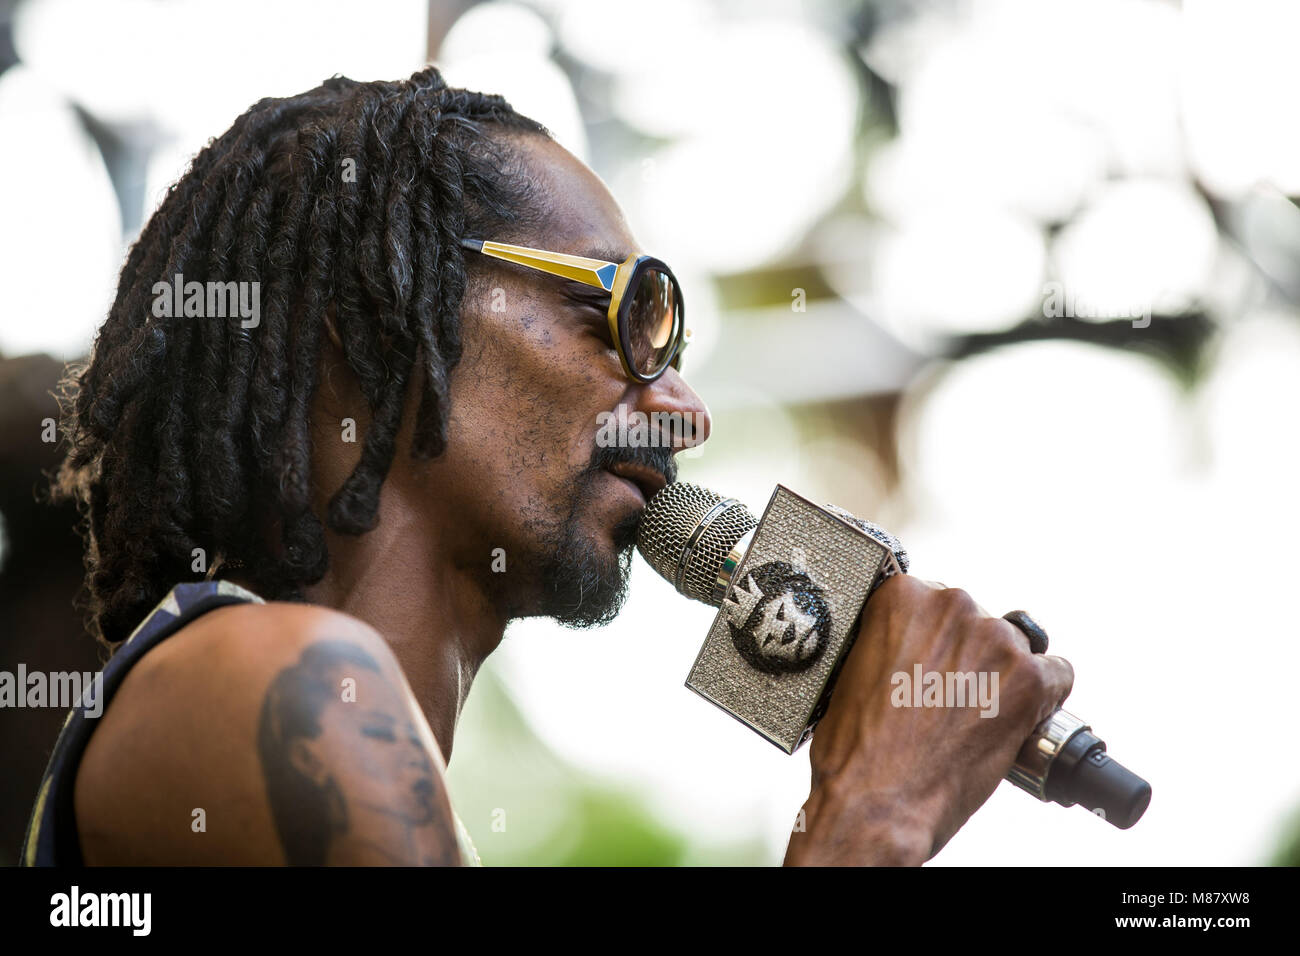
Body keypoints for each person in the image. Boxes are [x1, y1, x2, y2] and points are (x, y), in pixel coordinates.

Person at [24, 67, 1072, 866]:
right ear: (375, 317)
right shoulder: (264, 678)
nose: (683, 409)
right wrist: (873, 814)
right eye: (626, 313)